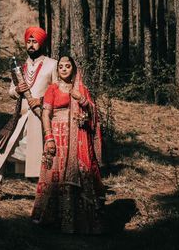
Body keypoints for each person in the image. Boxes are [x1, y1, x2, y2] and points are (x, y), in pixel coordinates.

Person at [31, 56, 105, 234]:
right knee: (54, 177)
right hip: (58, 137)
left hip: (79, 139)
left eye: (68, 66)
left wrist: (82, 100)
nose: (64, 69)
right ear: (57, 70)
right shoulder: (52, 89)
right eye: (61, 67)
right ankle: (52, 219)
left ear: (74, 68)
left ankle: (79, 223)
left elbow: (93, 114)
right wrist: (48, 137)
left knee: (80, 174)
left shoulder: (81, 89)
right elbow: (45, 114)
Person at [0, 27, 58, 200]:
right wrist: (17, 89)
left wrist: (40, 100)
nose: (31, 45)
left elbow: (57, 91)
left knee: (43, 158)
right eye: (29, 41)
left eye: (35, 41)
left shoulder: (52, 64)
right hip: (20, 116)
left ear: (42, 43)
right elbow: (11, 92)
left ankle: (48, 194)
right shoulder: (20, 67)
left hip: (41, 119)